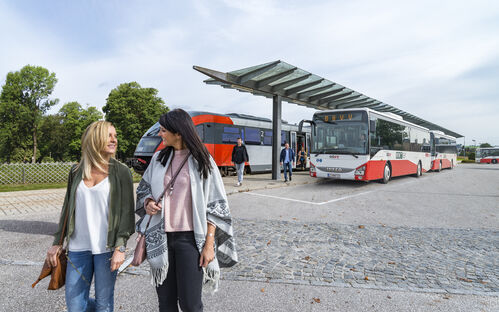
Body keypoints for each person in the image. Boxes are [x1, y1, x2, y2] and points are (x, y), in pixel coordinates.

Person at [135, 109, 238, 312]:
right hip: (161, 238)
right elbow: (143, 189)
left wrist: (209, 244)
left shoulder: (203, 160)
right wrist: (148, 202)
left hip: (190, 241)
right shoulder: (158, 160)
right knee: (166, 304)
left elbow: (216, 205)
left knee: (190, 304)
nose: (160, 134)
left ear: (179, 133)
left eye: (164, 130)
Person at [46, 121, 135, 312]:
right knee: (75, 306)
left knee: (104, 304)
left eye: (115, 136)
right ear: (95, 139)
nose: (114, 140)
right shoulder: (76, 171)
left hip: (107, 248)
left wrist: (121, 247)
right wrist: (57, 242)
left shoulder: (122, 172)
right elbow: (67, 209)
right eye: (109, 135)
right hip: (78, 249)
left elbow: (127, 215)